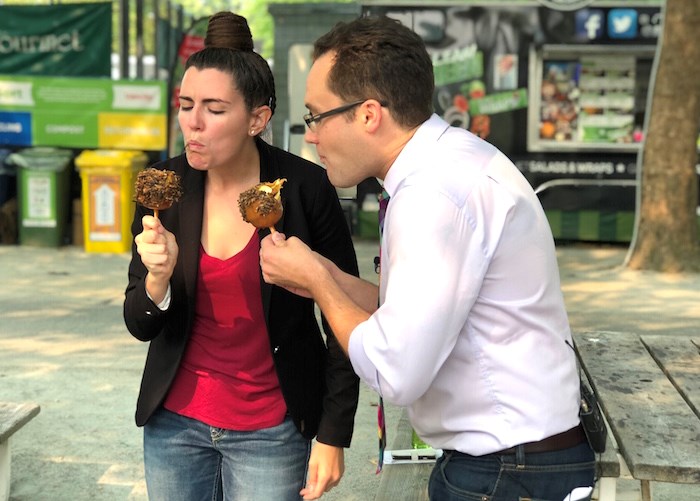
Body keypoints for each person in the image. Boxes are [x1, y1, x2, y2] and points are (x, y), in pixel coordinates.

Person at [260, 15, 596, 501]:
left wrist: (319, 283)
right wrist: (325, 274)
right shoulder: (448, 162)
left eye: (316, 116)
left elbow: (395, 370)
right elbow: (417, 314)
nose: (310, 135)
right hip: (517, 459)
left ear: (368, 114)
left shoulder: (432, 196)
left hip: (505, 468)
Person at [123, 11, 359, 501]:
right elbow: (140, 322)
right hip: (174, 427)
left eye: (214, 108)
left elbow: (345, 318)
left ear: (257, 118)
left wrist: (334, 432)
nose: (193, 122)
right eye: (186, 104)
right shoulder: (164, 191)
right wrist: (156, 282)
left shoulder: (303, 189)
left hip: (272, 431)